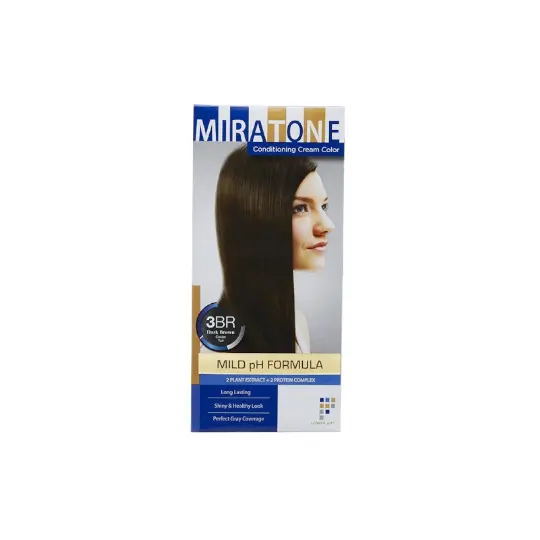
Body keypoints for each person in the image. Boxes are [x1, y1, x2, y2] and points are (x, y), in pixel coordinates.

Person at [210, 144, 335, 353]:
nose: (328, 225)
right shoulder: (214, 347)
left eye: (324, 206)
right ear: (254, 218)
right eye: (300, 208)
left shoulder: (298, 325)